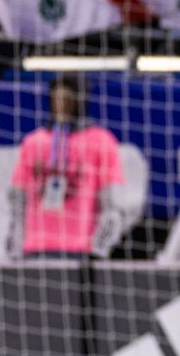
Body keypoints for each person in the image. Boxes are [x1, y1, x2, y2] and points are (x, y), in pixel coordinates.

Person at [9, 75, 125, 259]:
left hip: (81, 250)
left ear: (79, 101)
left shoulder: (100, 141)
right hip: (35, 248)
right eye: (56, 98)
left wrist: (99, 249)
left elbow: (114, 206)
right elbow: (17, 201)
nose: (61, 105)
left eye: (67, 99)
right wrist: (14, 249)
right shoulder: (33, 142)